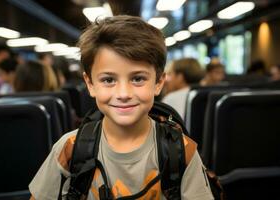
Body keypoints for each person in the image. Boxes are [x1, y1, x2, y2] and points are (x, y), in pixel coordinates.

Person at [29, 15, 213, 200]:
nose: (123, 94)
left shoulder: (181, 150)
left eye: (138, 79)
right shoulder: (69, 149)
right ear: (90, 84)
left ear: (158, 83)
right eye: (108, 80)